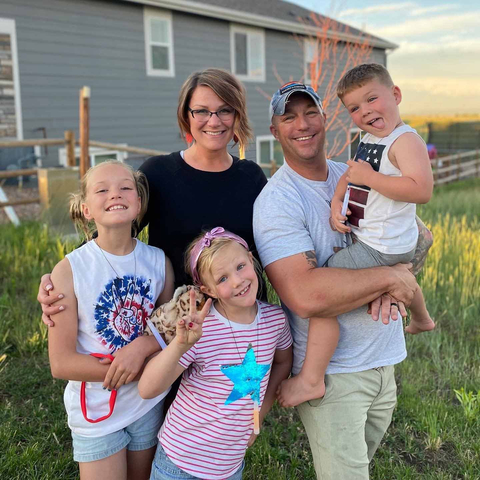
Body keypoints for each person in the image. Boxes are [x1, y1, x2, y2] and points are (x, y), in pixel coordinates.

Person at [253, 80, 431, 479]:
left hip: (385, 360)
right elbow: (305, 296)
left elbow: (418, 236)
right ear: (275, 130)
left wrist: (398, 275)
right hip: (337, 377)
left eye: (310, 112)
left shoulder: (356, 171)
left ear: (325, 118)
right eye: (289, 117)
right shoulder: (277, 202)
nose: (303, 124)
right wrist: (389, 276)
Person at [38, 67, 267, 323]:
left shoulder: (252, 177)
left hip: (246, 322)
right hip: (177, 326)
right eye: (202, 111)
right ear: (186, 116)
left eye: (225, 110)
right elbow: (111, 236)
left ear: (237, 116)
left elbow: (270, 253)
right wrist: (58, 277)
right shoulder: (159, 173)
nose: (213, 121)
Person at [278, 64, 435, 408]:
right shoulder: (369, 139)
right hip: (379, 242)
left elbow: (421, 189)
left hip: (381, 245)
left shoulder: (405, 140)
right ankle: (422, 318)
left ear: (395, 95)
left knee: (325, 289)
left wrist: (370, 177)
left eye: (372, 99)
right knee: (392, 277)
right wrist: (337, 201)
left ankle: (310, 379)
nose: (365, 111)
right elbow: (351, 176)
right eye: (354, 108)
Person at [47, 161, 174, 480]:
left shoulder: (159, 263)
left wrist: (145, 359)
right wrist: (135, 370)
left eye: (125, 187)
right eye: (102, 189)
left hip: (146, 405)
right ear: (86, 208)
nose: (115, 194)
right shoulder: (70, 270)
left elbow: (168, 329)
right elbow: (61, 363)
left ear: (139, 202)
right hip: (97, 412)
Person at [138, 227, 293, 480]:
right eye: (222, 279)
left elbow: (283, 361)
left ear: (252, 260)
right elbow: (147, 388)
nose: (237, 281)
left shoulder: (275, 321)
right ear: (207, 290)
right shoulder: (201, 329)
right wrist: (179, 345)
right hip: (179, 462)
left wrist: (259, 415)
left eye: (241, 266)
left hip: (229, 468)